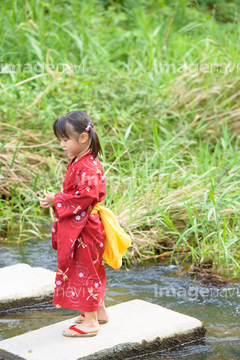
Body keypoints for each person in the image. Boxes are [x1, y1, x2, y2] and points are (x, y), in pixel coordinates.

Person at [39, 111, 110, 337]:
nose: (62, 145)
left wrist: (57, 199)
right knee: (92, 268)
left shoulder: (87, 166)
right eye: (60, 140)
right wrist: (58, 198)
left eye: (65, 139)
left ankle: (90, 323)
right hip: (87, 226)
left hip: (85, 229)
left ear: (82, 138)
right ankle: (98, 311)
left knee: (84, 269)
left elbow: (86, 197)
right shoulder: (81, 161)